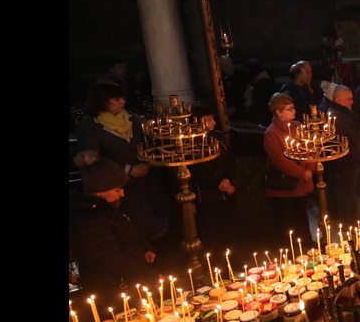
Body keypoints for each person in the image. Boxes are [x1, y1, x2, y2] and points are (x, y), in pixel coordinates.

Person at [77, 79, 168, 240]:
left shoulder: (130, 118)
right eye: (116, 99)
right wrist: (128, 169)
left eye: (122, 97)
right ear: (102, 101)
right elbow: (91, 160)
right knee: (138, 228)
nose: (123, 102)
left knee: (160, 220)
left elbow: (147, 144)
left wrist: (147, 161)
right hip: (123, 188)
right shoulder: (90, 125)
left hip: (148, 181)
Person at [69, 150, 160, 295]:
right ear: (99, 191)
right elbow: (113, 260)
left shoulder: (109, 205)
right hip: (112, 291)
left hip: (130, 283)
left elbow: (127, 230)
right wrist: (149, 276)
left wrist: (144, 248)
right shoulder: (86, 220)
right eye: (118, 190)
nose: (122, 194)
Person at [188, 105, 239, 255]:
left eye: (213, 119)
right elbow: (197, 172)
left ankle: (234, 260)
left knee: (231, 230)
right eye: (208, 120)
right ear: (196, 122)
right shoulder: (190, 143)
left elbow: (230, 160)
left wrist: (228, 179)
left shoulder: (218, 136)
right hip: (208, 197)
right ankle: (218, 267)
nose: (214, 123)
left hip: (227, 192)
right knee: (213, 234)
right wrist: (219, 183)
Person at [264, 93, 314, 241]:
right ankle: (290, 251)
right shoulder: (271, 133)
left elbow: (311, 148)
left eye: (293, 107)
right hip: (284, 187)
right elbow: (279, 160)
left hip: (303, 182)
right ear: (278, 112)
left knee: (302, 217)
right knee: (287, 223)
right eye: (289, 108)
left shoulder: (298, 126)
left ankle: (306, 244)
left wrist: (309, 169)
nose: (294, 111)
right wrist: (301, 172)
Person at [329, 86, 360, 225]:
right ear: (338, 100)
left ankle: (351, 221)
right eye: (349, 99)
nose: (352, 102)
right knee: (347, 195)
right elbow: (356, 135)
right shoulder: (338, 116)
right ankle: (347, 225)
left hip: (354, 159)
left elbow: (354, 129)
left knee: (352, 194)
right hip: (348, 162)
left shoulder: (344, 113)